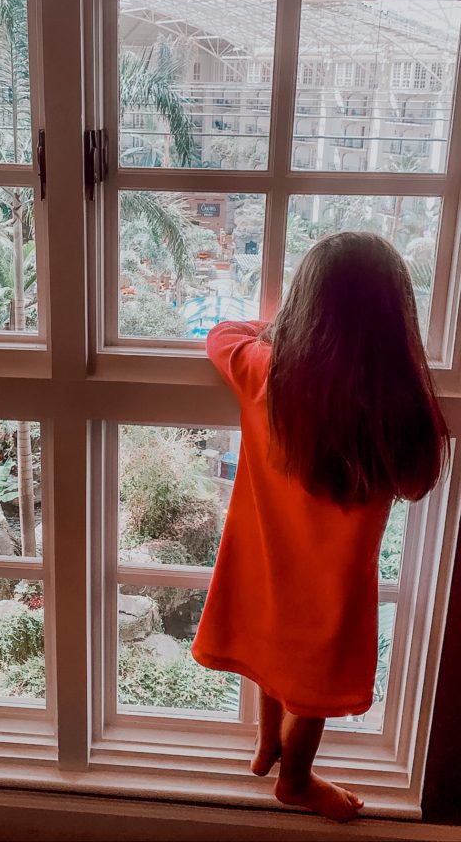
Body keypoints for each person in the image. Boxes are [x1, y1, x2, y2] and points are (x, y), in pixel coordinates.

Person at [191, 232, 449, 823]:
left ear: (304, 306)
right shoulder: (396, 403)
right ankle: (295, 778)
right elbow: (415, 481)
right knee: (310, 690)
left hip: (261, 563)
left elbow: (220, 335)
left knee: (269, 653)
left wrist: (267, 332)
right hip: (332, 587)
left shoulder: (267, 374)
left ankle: (266, 750)